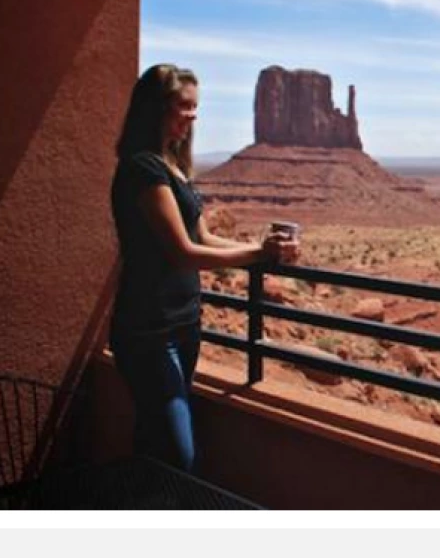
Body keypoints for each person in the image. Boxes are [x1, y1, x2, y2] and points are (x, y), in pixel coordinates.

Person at [108, 63, 298, 472]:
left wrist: (263, 248)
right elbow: (184, 252)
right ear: (155, 107)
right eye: (183, 106)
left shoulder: (174, 168)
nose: (193, 117)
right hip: (149, 331)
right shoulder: (143, 168)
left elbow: (206, 238)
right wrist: (257, 255)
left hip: (183, 324)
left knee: (154, 441)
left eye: (196, 108)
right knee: (179, 454)